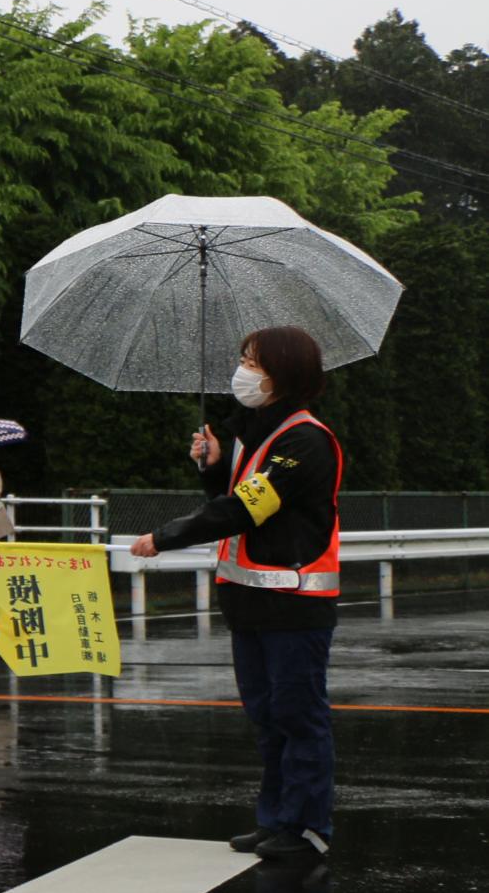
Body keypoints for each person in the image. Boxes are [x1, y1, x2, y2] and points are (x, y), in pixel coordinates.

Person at [130, 327, 341, 860]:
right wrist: (215, 466)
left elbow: (249, 509)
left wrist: (167, 537)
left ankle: (308, 829)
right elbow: (240, 498)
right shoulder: (260, 436)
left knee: (298, 717)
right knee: (268, 718)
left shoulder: (304, 439)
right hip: (251, 603)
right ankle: (276, 821)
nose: (242, 370)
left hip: (294, 604)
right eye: (243, 357)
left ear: (282, 374)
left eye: (252, 360)